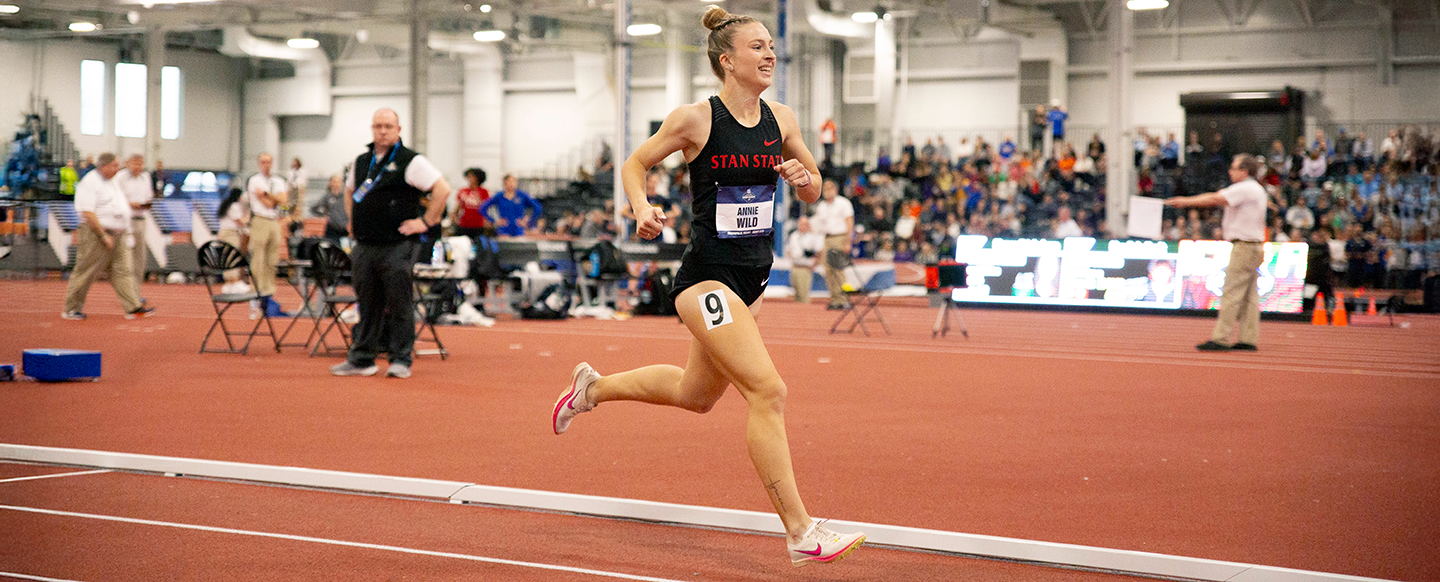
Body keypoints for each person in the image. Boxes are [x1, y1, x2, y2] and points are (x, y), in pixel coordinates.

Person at [550, 5, 865, 567]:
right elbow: (634, 163)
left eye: (772, 46)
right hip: (705, 282)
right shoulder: (697, 119)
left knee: (695, 396)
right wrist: (642, 207)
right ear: (728, 60)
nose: (770, 54)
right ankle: (800, 532)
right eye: (758, 47)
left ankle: (590, 390)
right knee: (768, 392)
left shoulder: (782, 120)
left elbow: (816, 187)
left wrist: (803, 178)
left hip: (753, 280)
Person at [330, 108, 450, 380]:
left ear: (398, 130)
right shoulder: (361, 161)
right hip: (364, 244)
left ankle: (400, 359)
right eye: (378, 126)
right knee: (367, 302)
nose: (382, 131)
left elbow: (442, 189)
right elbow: (349, 191)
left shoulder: (411, 161)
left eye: (388, 126)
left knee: (399, 302)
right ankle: (362, 359)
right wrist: (351, 220)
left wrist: (426, 222)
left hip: (397, 244)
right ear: (371, 129)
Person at [1165, 154, 1267, 351]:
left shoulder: (1245, 188)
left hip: (1244, 246)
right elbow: (1217, 195)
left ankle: (1221, 338)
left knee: (1231, 292)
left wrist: (1185, 201)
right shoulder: (1255, 188)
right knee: (1249, 295)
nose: (1230, 171)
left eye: (1234, 167)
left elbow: (1215, 198)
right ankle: (1248, 338)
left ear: (1244, 171)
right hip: (1254, 245)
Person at [61, 153, 155, 321]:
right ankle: (71, 308)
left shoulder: (112, 182)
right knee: (86, 270)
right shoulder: (90, 182)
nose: (117, 169)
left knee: (124, 270)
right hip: (97, 233)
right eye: (114, 165)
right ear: (103, 166)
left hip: (118, 233)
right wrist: (103, 234)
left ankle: (133, 306)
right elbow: (88, 212)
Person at [246, 153, 290, 317]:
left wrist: (268, 195)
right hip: (260, 220)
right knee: (258, 260)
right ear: (259, 163)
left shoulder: (278, 181)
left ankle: (268, 297)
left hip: (274, 221)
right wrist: (273, 198)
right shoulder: (254, 180)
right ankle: (254, 299)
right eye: (263, 162)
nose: (266, 165)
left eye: (269, 162)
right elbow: (268, 203)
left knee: (271, 261)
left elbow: (282, 201)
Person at [811, 179, 856, 310]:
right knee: (828, 270)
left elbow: (849, 223)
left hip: (839, 237)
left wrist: (848, 241)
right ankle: (834, 298)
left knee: (838, 269)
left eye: (830, 188)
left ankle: (843, 299)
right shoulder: (821, 206)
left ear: (835, 189)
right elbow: (818, 225)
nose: (827, 191)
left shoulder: (843, 203)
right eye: (825, 188)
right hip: (826, 238)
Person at [115, 154, 154, 297]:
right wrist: (130, 204)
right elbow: (115, 197)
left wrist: (146, 204)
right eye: (135, 163)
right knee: (125, 258)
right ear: (128, 163)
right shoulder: (120, 177)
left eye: (141, 163)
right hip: (125, 221)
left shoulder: (146, 178)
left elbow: (149, 196)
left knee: (140, 258)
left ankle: (135, 293)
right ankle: (125, 292)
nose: (138, 167)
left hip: (141, 219)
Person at [478, 174, 542, 237]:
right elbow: (482, 208)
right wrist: (494, 221)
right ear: (504, 184)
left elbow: (537, 207)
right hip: (504, 229)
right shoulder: (499, 196)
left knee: (517, 245)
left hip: (518, 228)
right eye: (508, 182)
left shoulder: (522, 195)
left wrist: (529, 222)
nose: (511, 184)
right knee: (504, 245)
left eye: (513, 182)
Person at [216, 187, 251, 293]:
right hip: (231, 234)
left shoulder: (226, 206)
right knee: (233, 257)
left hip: (223, 233)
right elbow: (240, 221)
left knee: (226, 258)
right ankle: (234, 282)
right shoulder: (234, 206)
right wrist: (249, 215)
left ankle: (228, 282)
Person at [785, 216, 824, 304]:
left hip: (805, 267)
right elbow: (788, 249)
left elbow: (819, 251)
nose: (803, 226)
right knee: (796, 293)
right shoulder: (794, 235)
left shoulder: (812, 237)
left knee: (804, 294)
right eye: (801, 224)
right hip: (795, 266)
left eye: (805, 224)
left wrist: (815, 264)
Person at [450, 168, 491, 238]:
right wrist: (454, 216)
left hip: (478, 224)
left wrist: (487, 220)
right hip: (464, 223)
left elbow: (485, 207)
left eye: (471, 177)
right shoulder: (463, 191)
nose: (469, 179)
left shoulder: (483, 192)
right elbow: (459, 205)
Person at [309, 175, 350, 243]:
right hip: (332, 229)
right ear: (330, 183)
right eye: (334, 182)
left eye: (338, 182)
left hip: (345, 229)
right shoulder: (327, 197)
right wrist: (324, 214)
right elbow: (314, 208)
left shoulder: (345, 196)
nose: (336, 184)